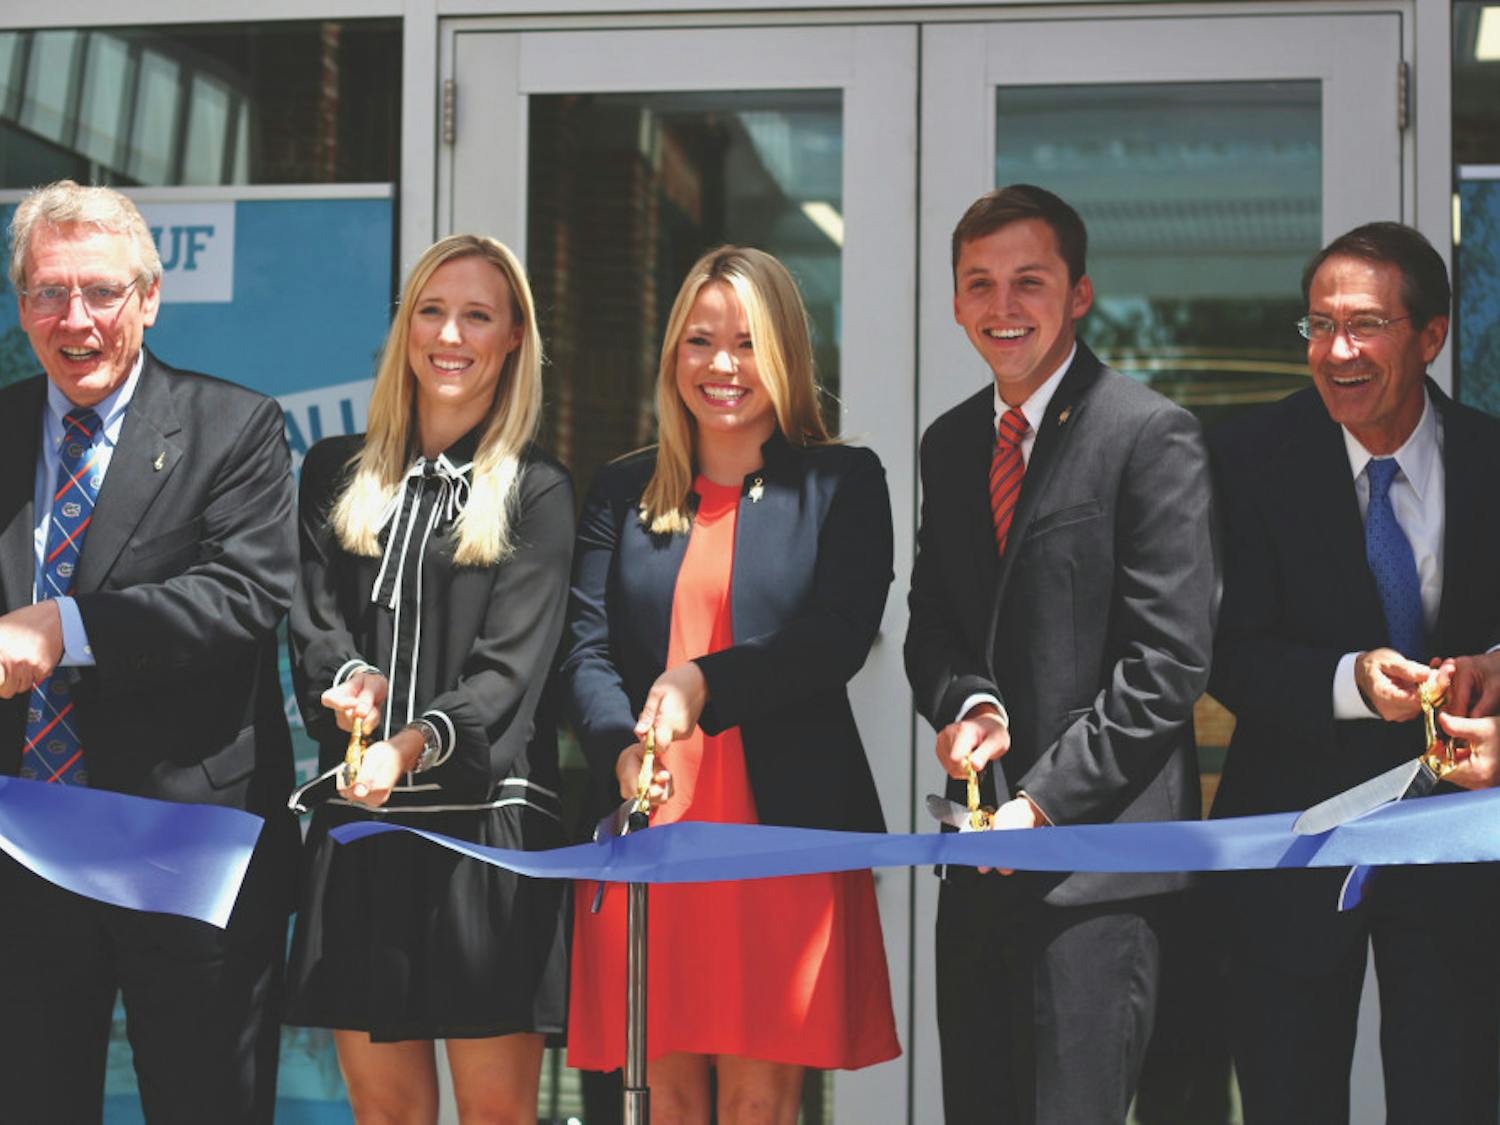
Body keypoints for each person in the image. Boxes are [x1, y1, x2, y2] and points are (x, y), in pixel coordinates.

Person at [563, 245, 900, 1122]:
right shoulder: (620, 489)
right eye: (700, 340)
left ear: (786, 354)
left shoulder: (844, 483)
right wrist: (619, 752)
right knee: (663, 1101)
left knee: (760, 1105)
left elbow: (834, 641)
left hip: (777, 837)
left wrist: (702, 683)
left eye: (747, 342)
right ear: (672, 353)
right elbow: (586, 649)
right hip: (651, 831)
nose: (722, 365)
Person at [904, 184, 1216, 1124]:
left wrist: (1043, 801)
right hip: (981, 871)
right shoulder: (953, 443)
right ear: (955, 301)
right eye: (979, 284)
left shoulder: (1149, 434)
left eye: (1028, 282)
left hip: (1101, 875)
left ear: (1079, 293)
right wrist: (970, 706)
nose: (1003, 308)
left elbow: (1168, 662)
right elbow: (935, 624)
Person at [0, 180, 298, 1122]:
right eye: (49, 292)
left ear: (150, 297)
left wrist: (65, 628)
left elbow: (242, 596)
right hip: (24, 853)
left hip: (182, 851)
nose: (74, 318)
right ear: (20, 304)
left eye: (101, 291)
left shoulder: (234, 427)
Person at [1208, 221, 1500, 1123]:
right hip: (1295, 842)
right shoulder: (1243, 460)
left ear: (1431, 336)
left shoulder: (1492, 456)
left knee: (1453, 1097)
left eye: (1366, 324)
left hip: (1460, 850)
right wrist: (1347, 681)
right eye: (1318, 325)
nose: (1336, 350)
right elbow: (1222, 648)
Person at [283, 234, 573, 1122]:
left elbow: (507, 674)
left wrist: (408, 746)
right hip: (363, 835)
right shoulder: (334, 470)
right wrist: (353, 683)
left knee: (494, 1116)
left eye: (478, 315)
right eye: (432, 311)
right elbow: (312, 625)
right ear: (406, 327)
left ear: (514, 336)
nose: (451, 334)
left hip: (482, 840)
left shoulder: (538, 489)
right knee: (387, 1117)